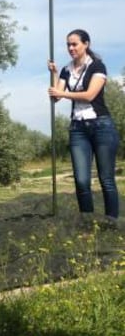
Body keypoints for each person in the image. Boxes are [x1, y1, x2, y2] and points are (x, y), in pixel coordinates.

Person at [48, 29, 120, 226]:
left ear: (86, 44)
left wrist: (63, 94)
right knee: (81, 181)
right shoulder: (65, 69)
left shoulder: (98, 66)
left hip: (101, 126)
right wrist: (54, 74)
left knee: (106, 179)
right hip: (78, 128)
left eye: (75, 44)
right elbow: (56, 96)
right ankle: (88, 222)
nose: (71, 48)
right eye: (68, 45)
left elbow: (89, 95)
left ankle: (111, 222)